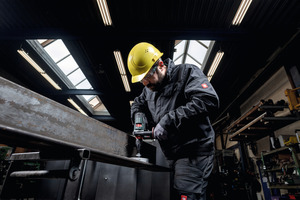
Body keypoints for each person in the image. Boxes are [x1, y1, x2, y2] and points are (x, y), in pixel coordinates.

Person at [127, 42, 219, 200]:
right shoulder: (148, 90)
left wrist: (168, 121)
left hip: (193, 152)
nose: (145, 83)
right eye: (141, 80)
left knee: (186, 194)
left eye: (147, 76)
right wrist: (138, 117)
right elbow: (137, 104)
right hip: (169, 154)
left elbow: (207, 99)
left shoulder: (187, 73)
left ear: (160, 65)